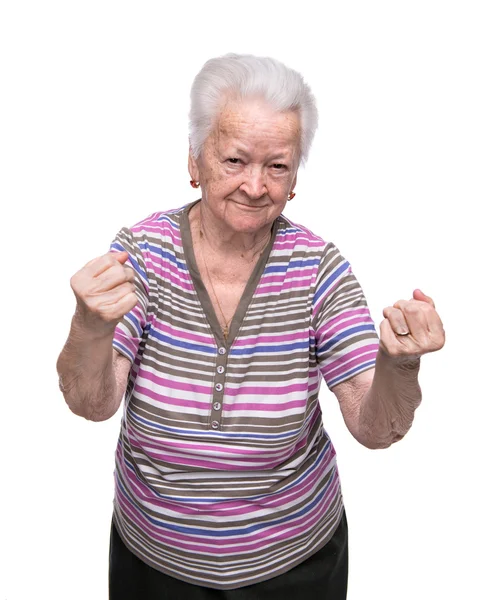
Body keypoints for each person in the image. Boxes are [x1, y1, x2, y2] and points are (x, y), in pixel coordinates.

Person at [56, 53, 445, 599]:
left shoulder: (317, 269)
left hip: (295, 565)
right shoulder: (142, 254)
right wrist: (90, 326)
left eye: (278, 166)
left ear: (295, 180)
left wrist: (400, 364)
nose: (255, 186)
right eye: (235, 160)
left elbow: (375, 428)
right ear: (195, 161)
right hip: (154, 562)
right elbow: (91, 404)